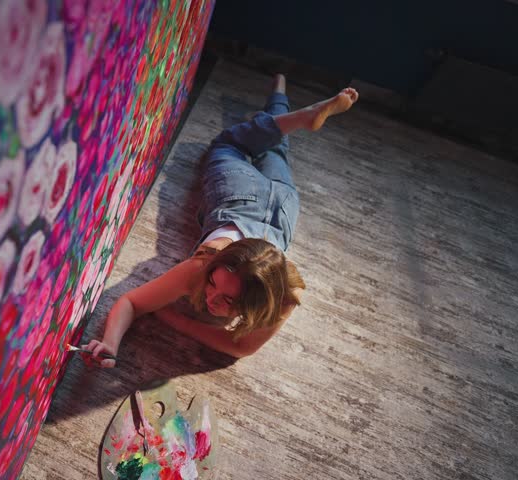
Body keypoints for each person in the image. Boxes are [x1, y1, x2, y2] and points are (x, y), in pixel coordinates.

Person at [83, 74, 359, 367]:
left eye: (228, 300)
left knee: (262, 145)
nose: (211, 298)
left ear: (261, 299)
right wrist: (109, 343)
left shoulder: (286, 295)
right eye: (214, 284)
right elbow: (130, 302)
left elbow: (239, 348)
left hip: (277, 205)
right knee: (231, 145)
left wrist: (170, 317)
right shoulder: (204, 264)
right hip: (249, 195)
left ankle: (288, 104)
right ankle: (287, 103)